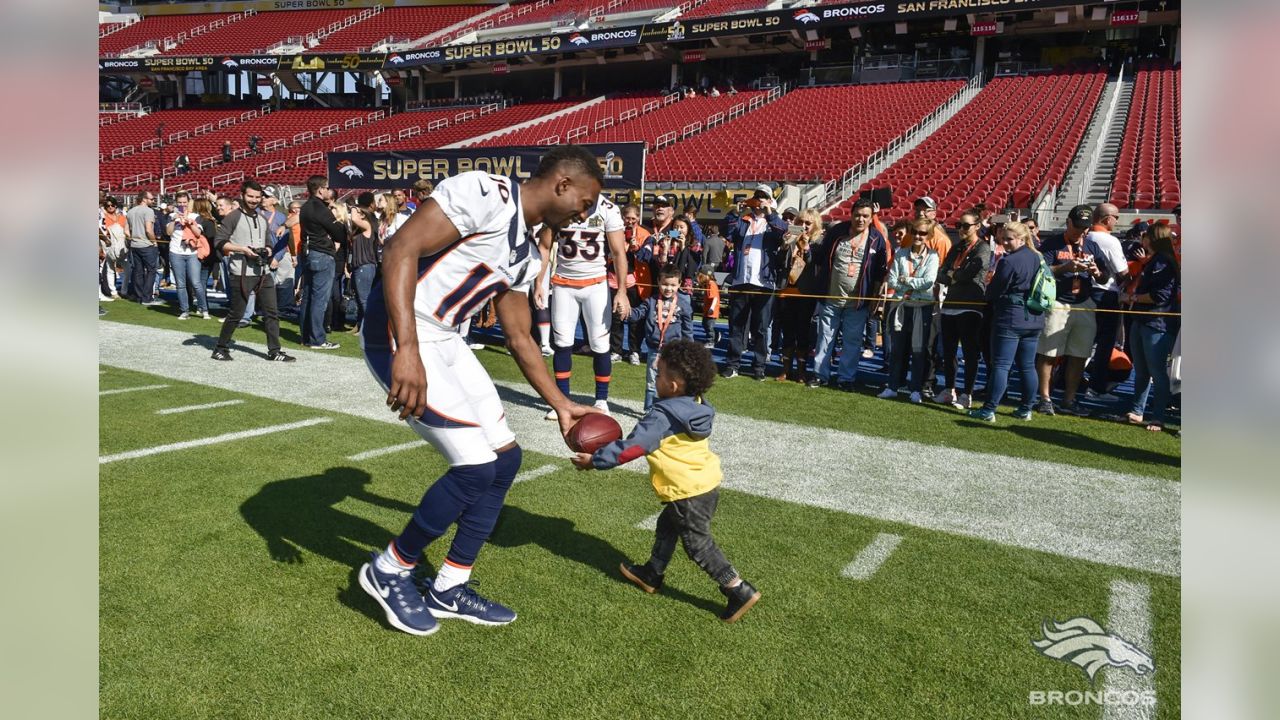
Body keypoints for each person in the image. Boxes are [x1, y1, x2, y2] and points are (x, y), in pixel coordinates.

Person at [357, 145, 605, 636]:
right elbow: (399, 248)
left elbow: (518, 335)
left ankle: (449, 586)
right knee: (473, 468)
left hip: (445, 336)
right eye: (586, 199)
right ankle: (389, 569)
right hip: (400, 332)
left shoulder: (528, 252)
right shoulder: (484, 192)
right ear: (562, 183)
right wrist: (406, 347)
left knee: (505, 461)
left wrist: (561, 406)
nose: (587, 211)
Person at [571, 339, 761, 624]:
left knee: (698, 545)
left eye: (658, 374)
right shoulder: (698, 405)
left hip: (686, 491)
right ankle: (652, 573)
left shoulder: (662, 416)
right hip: (705, 482)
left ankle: (737, 589)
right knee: (667, 526)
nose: (654, 377)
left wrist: (596, 460)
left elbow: (634, 447)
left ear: (672, 385)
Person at [533, 192, 630, 417]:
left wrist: (622, 291)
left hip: (595, 285)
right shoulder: (559, 206)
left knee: (600, 344)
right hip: (564, 285)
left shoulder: (608, 208)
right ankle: (562, 401)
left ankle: (601, 400)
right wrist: (539, 282)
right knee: (562, 343)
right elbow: (545, 246)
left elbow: (618, 252)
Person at [1034, 204, 1111, 416]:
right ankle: (1045, 398)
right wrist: (1065, 268)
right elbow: (1040, 270)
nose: (1081, 231)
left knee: (1079, 354)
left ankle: (1069, 400)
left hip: (1084, 303)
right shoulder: (1052, 244)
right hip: (1058, 302)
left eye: (1085, 227)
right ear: (1068, 222)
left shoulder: (1092, 246)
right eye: (1077, 226)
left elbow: (1106, 276)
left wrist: (1096, 272)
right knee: (1049, 353)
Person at [805, 199, 889, 390]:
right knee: (825, 338)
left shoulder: (877, 238)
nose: (860, 219)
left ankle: (846, 378)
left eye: (865, 216)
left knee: (852, 341)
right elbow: (820, 258)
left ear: (871, 218)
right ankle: (820, 375)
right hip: (831, 297)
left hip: (857, 302)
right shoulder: (837, 232)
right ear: (851, 215)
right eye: (857, 215)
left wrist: (875, 301)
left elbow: (879, 274)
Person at [210, 180, 294, 363]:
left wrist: (269, 251)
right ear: (242, 196)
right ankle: (220, 348)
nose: (254, 200)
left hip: (262, 271)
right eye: (250, 196)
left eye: (257, 197)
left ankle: (274, 351)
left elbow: (269, 242)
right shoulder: (233, 217)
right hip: (241, 272)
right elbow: (219, 242)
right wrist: (243, 249)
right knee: (236, 313)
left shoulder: (262, 218)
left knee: (272, 312)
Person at [969, 222, 1045, 422]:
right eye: (1003, 239)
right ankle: (1026, 409)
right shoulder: (1037, 257)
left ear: (1021, 238)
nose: (1005, 242)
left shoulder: (1009, 261)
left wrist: (988, 291)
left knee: (1001, 365)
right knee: (1027, 366)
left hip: (1011, 317)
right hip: (1034, 317)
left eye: (1009, 239)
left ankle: (989, 410)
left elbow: (994, 291)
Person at [1114, 224, 1180, 431]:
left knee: (1157, 371)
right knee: (1142, 370)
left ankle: (1158, 416)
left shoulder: (1163, 261)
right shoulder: (1156, 260)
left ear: (1152, 239)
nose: (1142, 240)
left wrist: (1130, 297)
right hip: (1144, 319)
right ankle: (1137, 411)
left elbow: (1160, 296)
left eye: (1145, 237)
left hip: (1157, 322)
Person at [720, 188, 787, 380]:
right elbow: (727, 232)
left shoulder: (774, 220)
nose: (759, 201)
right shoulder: (743, 220)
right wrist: (734, 212)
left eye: (764, 198)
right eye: (757, 198)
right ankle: (732, 364)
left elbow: (783, 232)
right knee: (736, 325)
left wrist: (769, 213)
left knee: (760, 327)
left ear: (770, 201)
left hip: (764, 282)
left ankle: (759, 367)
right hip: (741, 280)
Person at [934, 212, 992, 410]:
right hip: (950, 305)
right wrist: (954, 275)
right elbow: (941, 274)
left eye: (966, 225)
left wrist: (954, 274)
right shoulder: (957, 247)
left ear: (977, 226)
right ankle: (949, 389)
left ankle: (967, 393)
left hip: (971, 306)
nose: (961, 229)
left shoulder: (983, 248)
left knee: (970, 352)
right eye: (959, 225)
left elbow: (970, 273)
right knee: (949, 352)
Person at [879, 217, 939, 403]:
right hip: (901, 306)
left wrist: (906, 281)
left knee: (918, 350)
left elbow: (929, 281)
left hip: (922, 308)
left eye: (923, 233)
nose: (918, 236)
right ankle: (893, 386)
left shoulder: (933, 256)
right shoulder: (901, 254)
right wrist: (910, 283)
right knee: (898, 349)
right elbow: (892, 280)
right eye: (915, 232)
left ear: (928, 235)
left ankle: (915, 389)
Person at [624, 268, 694, 410]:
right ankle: (649, 410)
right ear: (658, 282)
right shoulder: (651, 301)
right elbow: (638, 313)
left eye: (673, 285)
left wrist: (689, 349)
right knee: (652, 382)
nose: (668, 288)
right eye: (665, 284)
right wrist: (626, 312)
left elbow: (687, 329)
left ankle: (672, 409)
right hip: (654, 350)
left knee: (674, 382)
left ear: (679, 284)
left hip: (674, 352)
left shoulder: (684, 305)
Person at [1083, 203, 1130, 402]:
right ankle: (1096, 388)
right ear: (1107, 218)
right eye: (1116, 217)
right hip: (1105, 293)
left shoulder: (1085, 236)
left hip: (1086, 293)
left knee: (1083, 340)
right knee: (1104, 343)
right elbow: (1122, 272)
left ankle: (1067, 380)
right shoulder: (1109, 241)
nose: (1117, 221)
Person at [299, 175, 345, 350]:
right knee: (320, 300)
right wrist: (338, 220)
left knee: (308, 297)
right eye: (326, 188)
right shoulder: (320, 208)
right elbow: (339, 233)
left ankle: (306, 336)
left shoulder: (305, 207)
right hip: (322, 254)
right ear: (320, 190)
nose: (329, 191)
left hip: (309, 253)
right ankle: (317, 339)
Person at [609, 203, 650, 365]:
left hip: (634, 282)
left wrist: (635, 247)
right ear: (622, 218)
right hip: (614, 280)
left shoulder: (644, 233)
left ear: (638, 218)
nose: (630, 222)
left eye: (633, 218)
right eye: (627, 218)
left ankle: (634, 350)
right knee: (616, 318)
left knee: (634, 319)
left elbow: (646, 256)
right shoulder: (614, 231)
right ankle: (616, 350)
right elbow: (609, 254)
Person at [165, 191, 210, 320]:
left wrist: (190, 223)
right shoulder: (171, 215)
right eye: (179, 203)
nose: (182, 205)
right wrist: (174, 220)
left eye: (184, 203)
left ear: (189, 202)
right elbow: (168, 232)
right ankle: (184, 310)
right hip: (176, 252)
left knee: (196, 283)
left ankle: (203, 309)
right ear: (176, 203)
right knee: (180, 284)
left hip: (192, 252)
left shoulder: (195, 216)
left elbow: (198, 234)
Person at [126, 190, 162, 306]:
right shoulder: (148, 211)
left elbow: (126, 231)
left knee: (138, 271)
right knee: (151, 271)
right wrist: (154, 242)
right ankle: (146, 298)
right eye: (151, 199)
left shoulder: (130, 211)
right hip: (146, 245)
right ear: (144, 199)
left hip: (135, 245)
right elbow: (148, 230)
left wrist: (133, 238)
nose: (153, 200)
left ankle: (139, 296)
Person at [348, 206, 378, 331]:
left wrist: (354, 207)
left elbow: (354, 218)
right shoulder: (358, 230)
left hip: (365, 266)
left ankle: (369, 327)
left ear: (364, 215)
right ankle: (360, 325)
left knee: (364, 299)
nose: (354, 214)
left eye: (359, 213)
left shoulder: (367, 225)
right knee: (359, 299)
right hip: (357, 266)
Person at [99, 197, 127, 301]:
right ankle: (112, 291)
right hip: (109, 244)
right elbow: (103, 230)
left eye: (112, 205)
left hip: (122, 244)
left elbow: (126, 229)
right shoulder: (103, 217)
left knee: (127, 268)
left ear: (116, 205)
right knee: (109, 267)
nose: (110, 207)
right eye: (108, 206)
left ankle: (124, 290)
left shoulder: (122, 216)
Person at [695, 265, 721, 349]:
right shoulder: (707, 284)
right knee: (705, 324)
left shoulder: (711, 284)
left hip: (711, 310)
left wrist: (712, 308)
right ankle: (716, 334)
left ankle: (711, 341)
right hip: (707, 309)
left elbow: (715, 298)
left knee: (709, 326)